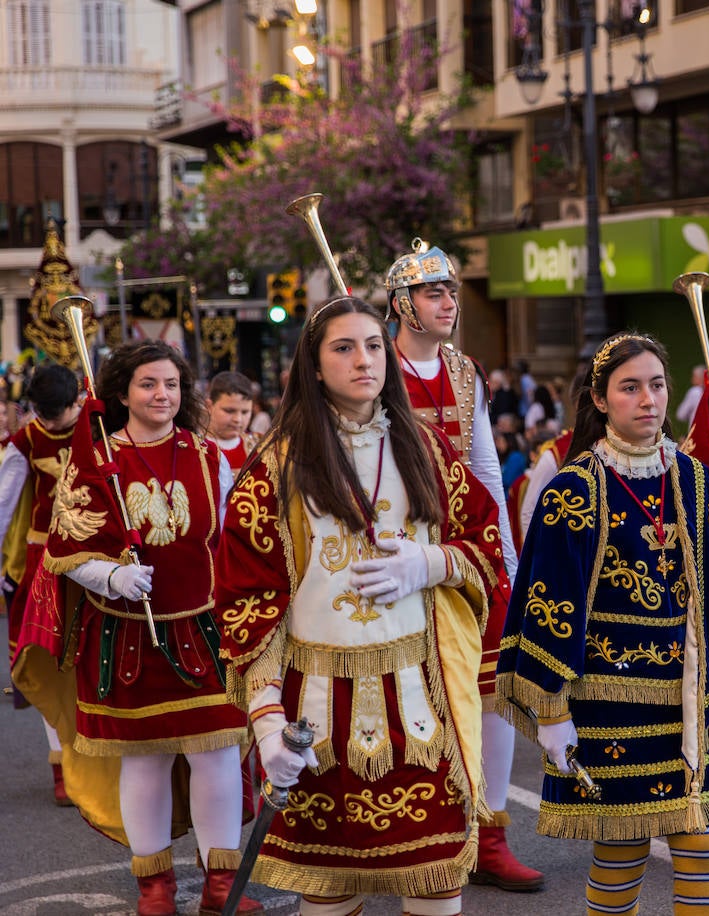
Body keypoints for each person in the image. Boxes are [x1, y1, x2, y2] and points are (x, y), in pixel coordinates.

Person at [216, 297, 504, 916]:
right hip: (314, 707)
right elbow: (246, 601)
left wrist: (428, 565)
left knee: (435, 880)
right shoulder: (276, 465)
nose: (363, 359)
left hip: (420, 700)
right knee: (328, 890)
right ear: (314, 367)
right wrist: (267, 723)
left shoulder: (425, 448)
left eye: (374, 345)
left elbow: (484, 540)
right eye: (343, 348)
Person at [495, 333, 709, 916]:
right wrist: (551, 712)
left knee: (703, 846)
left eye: (656, 385)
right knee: (620, 852)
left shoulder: (697, 480)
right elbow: (548, 603)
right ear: (600, 400)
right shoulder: (572, 490)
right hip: (608, 704)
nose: (647, 399)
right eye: (630, 388)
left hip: (691, 698)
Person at [32, 341, 257, 915]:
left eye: (172, 385)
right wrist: (108, 575)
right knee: (146, 758)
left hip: (206, 629)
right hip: (127, 636)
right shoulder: (98, 458)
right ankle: (153, 886)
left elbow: (231, 536)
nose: (162, 395)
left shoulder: (208, 455)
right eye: (148, 385)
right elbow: (65, 545)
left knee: (218, 755)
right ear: (123, 393)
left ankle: (221, 881)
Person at [383, 240, 541, 891]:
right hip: (395, 556)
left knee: (491, 696)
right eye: (432, 292)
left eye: (451, 291)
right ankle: (415, 836)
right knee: (405, 702)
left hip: (468, 556)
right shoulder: (374, 369)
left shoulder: (466, 371)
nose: (448, 301)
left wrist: (505, 555)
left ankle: (490, 831)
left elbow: (483, 470)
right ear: (401, 304)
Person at [0, 364, 83, 801]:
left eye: (60, 415)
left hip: (101, 562)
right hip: (45, 562)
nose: (50, 425)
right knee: (49, 662)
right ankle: (62, 768)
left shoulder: (105, 429)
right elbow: (2, 504)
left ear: (78, 401)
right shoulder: (25, 441)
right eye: (43, 415)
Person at [204, 370, 260, 474]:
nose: (238, 419)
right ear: (209, 406)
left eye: (245, 412)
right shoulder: (193, 448)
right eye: (229, 411)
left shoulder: (260, 448)